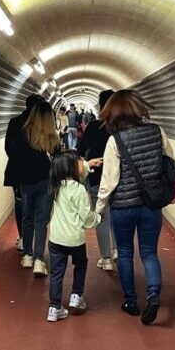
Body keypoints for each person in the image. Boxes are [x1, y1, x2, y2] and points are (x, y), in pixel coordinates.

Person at [95, 90, 171, 325]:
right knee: (149, 252)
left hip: (123, 207)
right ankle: (154, 294)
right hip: (150, 205)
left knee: (125, 253)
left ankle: (130, 302)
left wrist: (98, 208)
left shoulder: (114, 140)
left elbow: (109, 180)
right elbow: (169, 161)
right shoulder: (157, 132)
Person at [45, 150, 102, 322]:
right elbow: (86, 217)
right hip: (75, 239)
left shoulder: (55, 186)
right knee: (81, 264)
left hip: (56, 239)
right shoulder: (79, 190)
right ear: (71, 167)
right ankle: (76, 296)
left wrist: (88, 164)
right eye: (79, 161)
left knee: (56, 273)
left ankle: (54, 307)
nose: (82, 163)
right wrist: (98, 218)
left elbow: (81, 170)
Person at [17, 100, 61, 276]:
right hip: (46, 181)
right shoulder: (53, 137)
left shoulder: (24, 134)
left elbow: (16, 158)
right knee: (41, 221)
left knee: (27, 217)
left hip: (27, 181)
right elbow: (58, 161)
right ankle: (38, 259)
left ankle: (27, 255)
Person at [77, 89, 116, 271]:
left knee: (102, 216)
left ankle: (106, 259)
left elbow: (81, 148)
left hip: (97, 175)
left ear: (101, 105)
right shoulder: (122, 126)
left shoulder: (94, 126)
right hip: (120, 178)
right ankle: (118, 251)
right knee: (117, 214)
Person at [4, 93, 43, 253]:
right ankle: (32, 239)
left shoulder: (14, 122)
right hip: (38, 171)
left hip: (16, 170)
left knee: (20, 202)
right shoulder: (41, 123)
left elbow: (8, 146)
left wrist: (16, 161)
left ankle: (22, 238)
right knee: (37, 204)